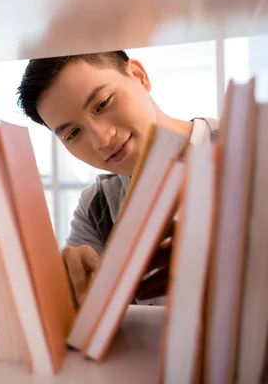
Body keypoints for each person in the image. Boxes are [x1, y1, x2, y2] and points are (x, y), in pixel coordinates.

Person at [16, 50, 219, 306]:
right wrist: (66, 283)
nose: (102, 140)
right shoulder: (97, 207)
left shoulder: (253, 148)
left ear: (138, 75)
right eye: (74, 133)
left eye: (102, 104)